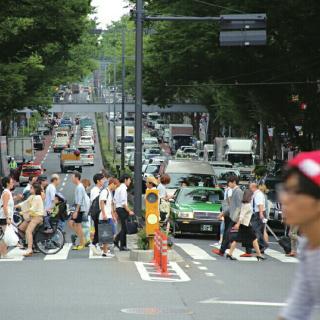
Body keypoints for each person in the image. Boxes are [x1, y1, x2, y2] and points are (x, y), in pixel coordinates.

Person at [278, 151, 320, 320]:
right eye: (285, 190)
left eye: (295, 191)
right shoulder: (308, 247)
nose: (285, 199)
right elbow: (295, 311)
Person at [226, 189, 265, 261]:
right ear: (249, 196)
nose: (252, 197)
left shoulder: (244, 204)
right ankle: (259, 255)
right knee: (254, 239)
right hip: (245, 225)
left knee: (236, 239)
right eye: (252, 195)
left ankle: (229, 254)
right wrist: (238, 223)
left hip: (244, 224)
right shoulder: (247, 205)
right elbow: (242, 215)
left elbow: (244, 215)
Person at [212, 175, 243, 257]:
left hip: (235, 217)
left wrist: (238, 219)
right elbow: (231, 206)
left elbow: (239, 206)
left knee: (227, 233)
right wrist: (223, 213)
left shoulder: (238, 191)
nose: (228, 184)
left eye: (229, 182)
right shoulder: (234, 191)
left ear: (234, 182)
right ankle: (223, 251)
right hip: (233, 216)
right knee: (228, 233)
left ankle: (222, 251)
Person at [16, 183, 45, 257]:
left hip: (37, 217)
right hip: (32, 217)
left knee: (28, 231)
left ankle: (30, 249)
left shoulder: (37, 197)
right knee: (20, 228)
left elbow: (33, 209)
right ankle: (29, 243)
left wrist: (22, 212)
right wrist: (15, 206)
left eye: (31, 188)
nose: (30, 189)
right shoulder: (32, 196)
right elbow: (24, 203)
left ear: (35, 189)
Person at [68, 171, 90, 250]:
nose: (71, 179)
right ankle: (82, 240)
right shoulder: (79, 186)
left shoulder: (80, 187)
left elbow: (79, 200)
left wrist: (76, 211)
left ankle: (82, 242)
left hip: (80, 209)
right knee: (75, 224)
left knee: (78, 225)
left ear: (77, 178)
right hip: (79, 209)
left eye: (72, 177)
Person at [114, 174, 134, 251]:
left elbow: (115, 200)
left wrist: (115, 210)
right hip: (122, 209)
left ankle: (116, 240)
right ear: (125, 180)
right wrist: (129, 211)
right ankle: (122, 245)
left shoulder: (119, 188)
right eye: (129, 180)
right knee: (124, 228)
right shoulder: (123, 189)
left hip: (119, 209)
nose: (130, 181)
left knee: (124, 227)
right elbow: (123, 203)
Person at [98, 178, 118, 257]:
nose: (115, 188)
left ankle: (105, 251)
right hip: (105, 216)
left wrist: (113, 215)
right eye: (115, 186)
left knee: (107, 234)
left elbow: (110, 205)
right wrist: (104, 214)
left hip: (108, 215)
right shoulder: (105, 191)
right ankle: (104, 250)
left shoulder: (109, 192)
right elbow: (102, 202)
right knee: (111, 233)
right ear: (112, 183)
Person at [249, 183, 268, 253]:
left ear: (253, 187)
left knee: (255, 230)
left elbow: (260, 204)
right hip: (256, 213)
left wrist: (261, 213)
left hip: (259, 213)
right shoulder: (255, 194)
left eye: (250, 187)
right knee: (260, 230)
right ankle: (261, 247)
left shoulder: (258, 194)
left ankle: (263, 244)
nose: (249, 189)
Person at [90, 173, 105, 255]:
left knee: (98, 230)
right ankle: (94, 244)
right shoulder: (95, 190)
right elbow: (96, 203)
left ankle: (96, 245)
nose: (104, 181)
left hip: (98, 213)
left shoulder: (100, 190)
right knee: (98, 230)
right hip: (97, 213)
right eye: (102, 180)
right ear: (98, 181)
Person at [0, 177, 15, 259]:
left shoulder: (7, 192)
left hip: (4, 216)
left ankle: (2, 253)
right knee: (5, 236)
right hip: (3, 217)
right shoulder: (6, 193)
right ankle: (4, 254)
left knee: (4, 236)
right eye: (12, 182)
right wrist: (7, 218)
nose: (13, 183)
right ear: (7, 183)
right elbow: (5, 206)